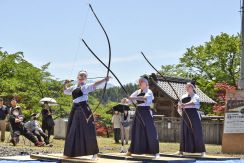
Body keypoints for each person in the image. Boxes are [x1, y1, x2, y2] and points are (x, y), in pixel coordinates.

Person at [63, 70, 111, 160]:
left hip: (84, 109)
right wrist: (65, 84)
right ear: (77, 77)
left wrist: (104, 80)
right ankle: (70, 152)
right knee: (72, 130)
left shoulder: (85, 87)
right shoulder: (73, 87)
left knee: (88, 130)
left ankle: (94, 153)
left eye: (84, 76)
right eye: (81, 75)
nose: (82, 76)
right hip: (75, 109)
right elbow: (65, 91)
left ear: (86, 78)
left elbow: (95, 84)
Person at [122, 76, 160, 158]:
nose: (140, 83)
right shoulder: (137, 91)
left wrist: (133, 98)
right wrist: (126, 100)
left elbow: (145, 98)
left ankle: (155, 151)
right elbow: (129, 101)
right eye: (139, 82)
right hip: (138, 111)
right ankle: (131, 150)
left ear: (146, 83)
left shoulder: (149, 91)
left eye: (142, 82)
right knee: (136, 131)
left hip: (146, 111)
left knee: (150, 131)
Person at [177, 82, 206, 157]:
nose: (188, 88)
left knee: (197, 131)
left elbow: (194, 102)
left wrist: (185, 105)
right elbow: (179, 105)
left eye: (189, 86)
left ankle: (202, 151)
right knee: (184, 132)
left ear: (193, 88)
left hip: (193, 114)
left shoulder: (195, 96)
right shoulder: (183, 96)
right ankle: (181, 150)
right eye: (187, 87)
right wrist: (180, 106)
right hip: (185, 114)